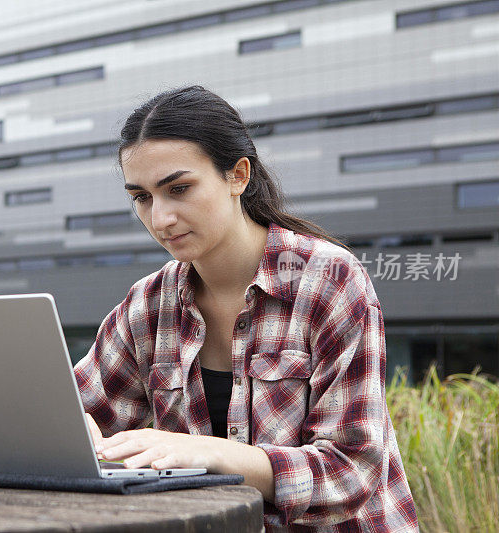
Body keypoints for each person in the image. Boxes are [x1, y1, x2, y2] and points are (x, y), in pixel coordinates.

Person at [73, 86, 418, 531]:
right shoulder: (146, 306)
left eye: (179, 188)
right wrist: (72, 435)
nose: (160, 218)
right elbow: (78, 416)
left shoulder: (328, 281)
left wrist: (213, 453)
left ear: (238, 176)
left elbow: (352, 471)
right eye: (142, 197)